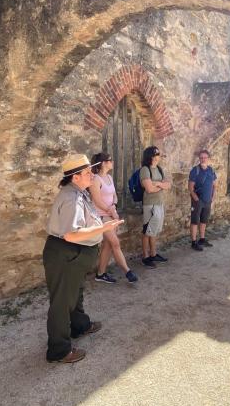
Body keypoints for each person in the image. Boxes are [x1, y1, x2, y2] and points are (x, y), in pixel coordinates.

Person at [43, 155, 123, 363]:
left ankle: (79, 326)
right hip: (65, 252)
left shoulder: (79, 192)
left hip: (73, 254)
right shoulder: (71, 198)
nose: (91, 175)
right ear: (75, 177)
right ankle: (59, 350)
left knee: (75, 292)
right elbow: (71, 234)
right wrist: (104, 228)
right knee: (61, 302)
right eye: (87, 172)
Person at [88, 153, 138, 284]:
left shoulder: (109, 177)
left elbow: (114, 196)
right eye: (110, 160)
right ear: (103, 163)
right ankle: (128, 271)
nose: (112, 162)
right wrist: (110, 210)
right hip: (101, 216)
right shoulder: (95, 179)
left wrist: (114, 206)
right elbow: (97, 201)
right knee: (115, 243)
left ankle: (100, 274)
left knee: (108, 245)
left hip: (110, 215)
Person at [139, 146, 171, 268]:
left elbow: (168, 185)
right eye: (157, 154)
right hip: (150, 205)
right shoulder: (145, 170)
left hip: (159, 203)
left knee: (154, 231)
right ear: (151, 156)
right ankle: (145, 257)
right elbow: (149, 189)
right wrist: (161, 185)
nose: (159, 156)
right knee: (147, 231)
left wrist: (158, 184)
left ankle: (153, 254)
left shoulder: (159, 169)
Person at [188, 149, 218, 251]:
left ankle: (202, 239)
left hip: (207, 200)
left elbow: (214, 185)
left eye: (205, 157)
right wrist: (195, 198)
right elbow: (190, 187)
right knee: (195, 221)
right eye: (201, 158)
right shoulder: (195, 170)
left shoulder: (211, 170)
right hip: (198, 200)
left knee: (204, 220)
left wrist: (213, 197)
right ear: (199, 159)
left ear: (208, 158)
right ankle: (193, 242)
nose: (203, 159)